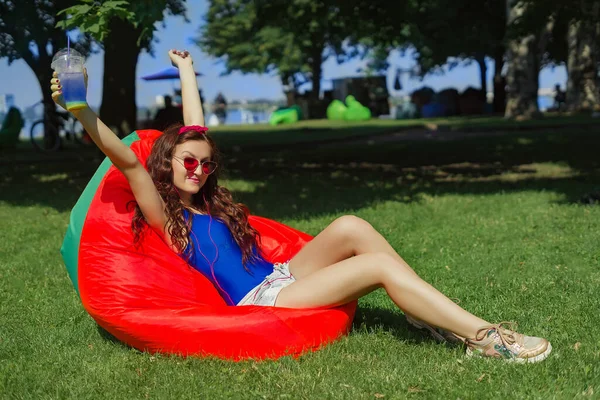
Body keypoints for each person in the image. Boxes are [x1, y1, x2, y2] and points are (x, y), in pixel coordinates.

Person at [50, 49, 552, 364]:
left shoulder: (209, 197)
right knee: (374, 265)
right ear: (168, 164)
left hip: (284, 275)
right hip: (264, 302)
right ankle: (487, 338)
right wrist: (82, 111)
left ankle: (426, 314)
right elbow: (128, 163)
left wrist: (187, 71)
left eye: (205, 164)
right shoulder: (169, 218)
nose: (198, 170)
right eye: (188, 162)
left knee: (352, 224)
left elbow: (196, 127)